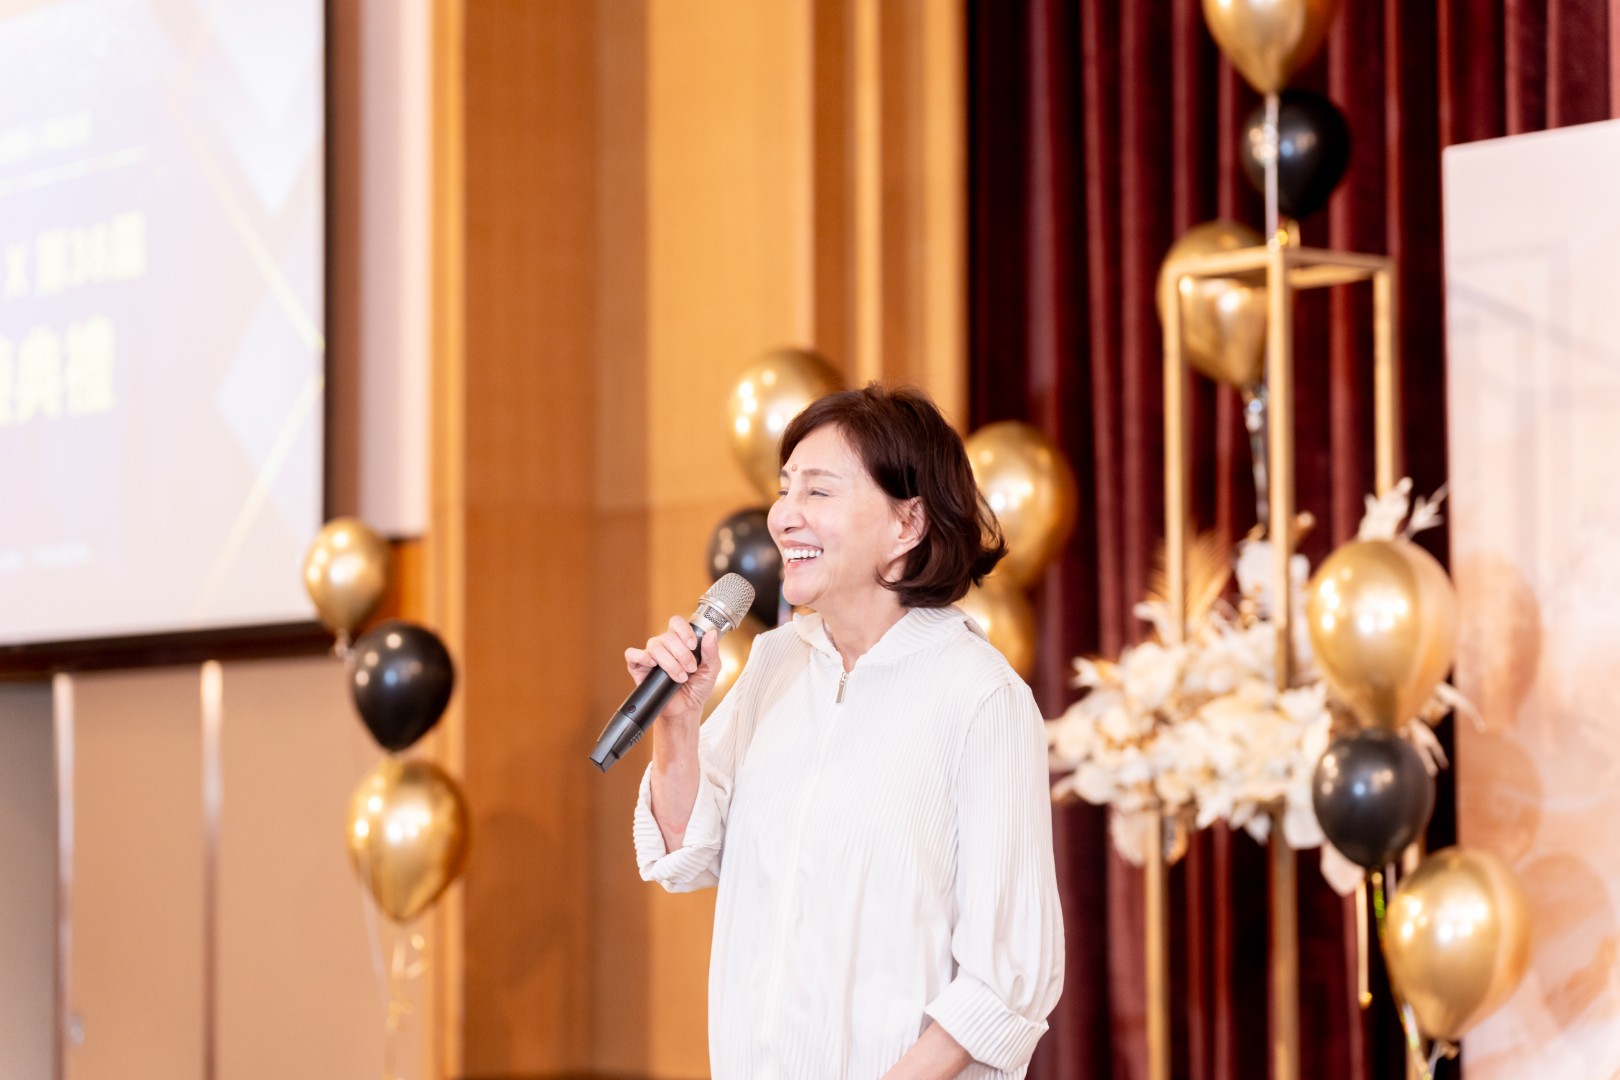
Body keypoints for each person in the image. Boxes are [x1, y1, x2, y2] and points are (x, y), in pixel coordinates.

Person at [626, 384, 1064, 1079]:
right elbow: (686, 852)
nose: (783, 516)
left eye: (818, 491)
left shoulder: (982, 698)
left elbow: (1005, 980)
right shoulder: (775, 663)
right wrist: (676, 726)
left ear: (907, 523)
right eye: (784, 489)